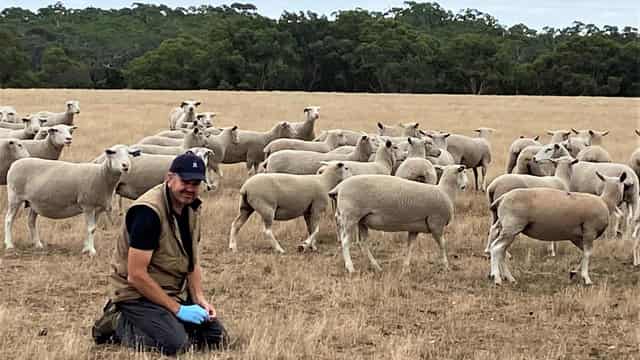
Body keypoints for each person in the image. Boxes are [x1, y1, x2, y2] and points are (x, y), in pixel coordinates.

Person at [93, 151, 228, 356]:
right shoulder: (148, 213)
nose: (190, 189)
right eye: (185, 182)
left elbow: (191, 260)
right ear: (169, 178)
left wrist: (199, 298)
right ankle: (116, 323)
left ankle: (167, 321)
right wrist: (178, 310)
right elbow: (136, 275)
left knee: (215, 338)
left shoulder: (191, 208)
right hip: (136, 294)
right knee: (176, 345)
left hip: (171, 290)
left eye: (196, 183)